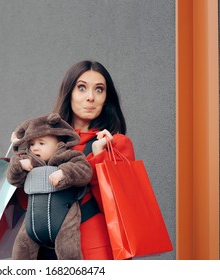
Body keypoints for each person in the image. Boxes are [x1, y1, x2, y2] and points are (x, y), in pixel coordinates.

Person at [51, 60, 136, 259]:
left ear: (106, 98)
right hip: (49, 251)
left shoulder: (117, 145)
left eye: (99, 90)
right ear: (69, 93)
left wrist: (99, 157)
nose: (90, 97)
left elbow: (118, 208)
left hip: (95, 252)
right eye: (81, 88)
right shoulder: (48, 144)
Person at [7, 113, 92, 260]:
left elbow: (85, 171)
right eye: (32, 144)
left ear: (59, 144)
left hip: (63, 221)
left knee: (69, 252)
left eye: (41, 143)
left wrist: (64, 172)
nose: (35, 149)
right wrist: (19, 166)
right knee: (20, 252)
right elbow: (13, 180)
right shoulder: (28, 162)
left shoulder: (69, 156)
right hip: (32, 224)